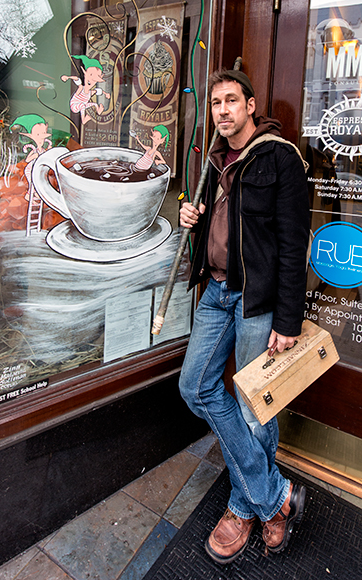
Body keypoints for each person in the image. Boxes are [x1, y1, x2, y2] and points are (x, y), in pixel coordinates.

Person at [179, 69, 310, 563]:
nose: (222, 110)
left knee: (255, 405)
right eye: (215, 103)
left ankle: (243, 506)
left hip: (257, 301)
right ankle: (275, 497)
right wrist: (191, 220)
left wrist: (288, 321)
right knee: (195, 387)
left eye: (231, 100)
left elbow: (295, 244)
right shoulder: (215, 162)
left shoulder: (280, 157)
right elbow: (218, 225)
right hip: (215, 291)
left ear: (251, 106)